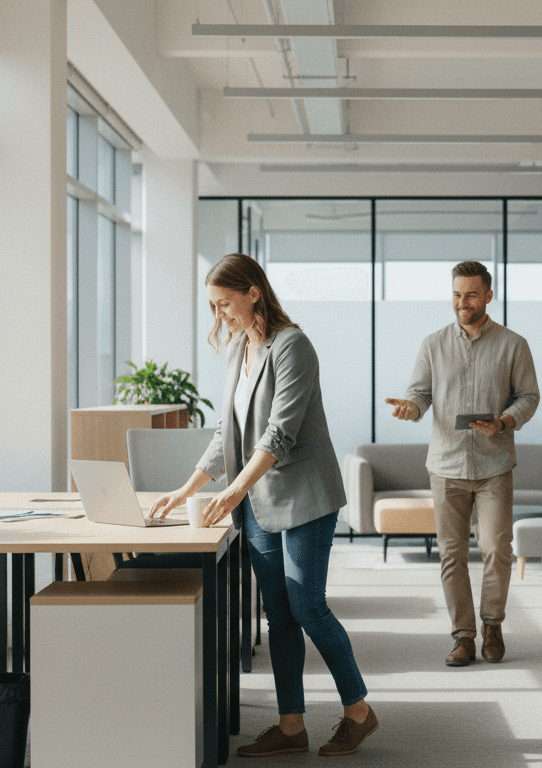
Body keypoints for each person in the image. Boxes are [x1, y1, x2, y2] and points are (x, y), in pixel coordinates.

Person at [150, 252, 377, 758]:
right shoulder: (238, 350)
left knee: (307, 606)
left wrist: (232, 490)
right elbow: (226, 433)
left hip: (303, 497)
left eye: (225, 303)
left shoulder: (293, 346)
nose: (220, 316)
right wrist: (189, 487)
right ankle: (291, 725)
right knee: (278, 613)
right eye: (213, 307)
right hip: (257, 502)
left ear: (253, 292)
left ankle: (358, 711)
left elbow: (280, 434)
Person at [384, 260, 539, 667]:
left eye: (470, 294)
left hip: (494, 465)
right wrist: (409, 409)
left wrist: (505, 421)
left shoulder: (513, 344)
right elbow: (419, 394)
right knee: (451, 555)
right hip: (446, 466)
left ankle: (492, 626)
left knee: (495, 549)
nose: (462, 302)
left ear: (488, 295)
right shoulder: (433, 344)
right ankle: (463, 636)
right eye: (456, 294)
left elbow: (528, 397)